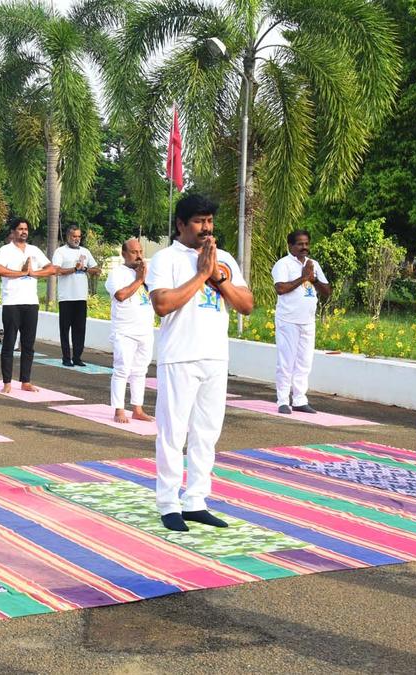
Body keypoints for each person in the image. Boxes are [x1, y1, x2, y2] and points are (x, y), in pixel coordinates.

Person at [148, 194, 254, 532]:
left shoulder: (224, 259)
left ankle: (195, 500)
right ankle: (168, 503)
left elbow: (247, 305)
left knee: (207, 432)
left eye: (209, 221)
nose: (206, 228)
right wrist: (201, 275)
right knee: (173, 432)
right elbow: (162, 304)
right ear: (181, 224)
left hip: (214, 356)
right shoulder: (166, 259)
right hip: (179, 355)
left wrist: (218, 278)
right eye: (198, 221)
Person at [0, 219, 57, 393]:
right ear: (13, 232)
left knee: (28, 344)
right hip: (12, 302)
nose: (23, 232)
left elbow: (51, 269)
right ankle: (7, 382)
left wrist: (34, 273)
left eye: (26, 229)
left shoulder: (34, 250)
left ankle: (25, 381)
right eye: (20, 229)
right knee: (9, 342)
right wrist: (21, 273)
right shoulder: (5, 250)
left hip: (31, 302)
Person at [271, 230, 332, 414]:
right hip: (288, 320)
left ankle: (299, 399)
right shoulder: (283, 264)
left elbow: (327, 291)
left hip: (307, 321)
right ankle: (282, 400)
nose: (304, 247)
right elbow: (280, 288)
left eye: (306, 244)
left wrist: (312, 278)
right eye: (299, 244)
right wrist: (303, 278)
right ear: (290, 246)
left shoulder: (314, 265)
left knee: (304, 362)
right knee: (286, 362)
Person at [106, 238, 155, 424]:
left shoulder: (146, 273)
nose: (139, 256)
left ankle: (137, 408)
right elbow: (120, 295)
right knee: (122, 370)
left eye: (141, 251)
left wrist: (144, 277)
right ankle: (119, 409)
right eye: (134, 252)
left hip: (145, 330)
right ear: (124, 254)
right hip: (124, 330)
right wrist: (139, 279)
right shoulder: (117, 273)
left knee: (140, 371)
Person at [52, 226, 101, 366]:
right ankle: (66, 357)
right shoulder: (60, 252)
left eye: (79, 236)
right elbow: (57, 270)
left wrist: (84, 268)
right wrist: (74, 269)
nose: (77, 239)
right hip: (66, 297)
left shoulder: (85, 251)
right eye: (74, 236)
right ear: (68, 236)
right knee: (65, 329)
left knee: (80, 329)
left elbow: (97, 270)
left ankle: (77, 357)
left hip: (81, 297)